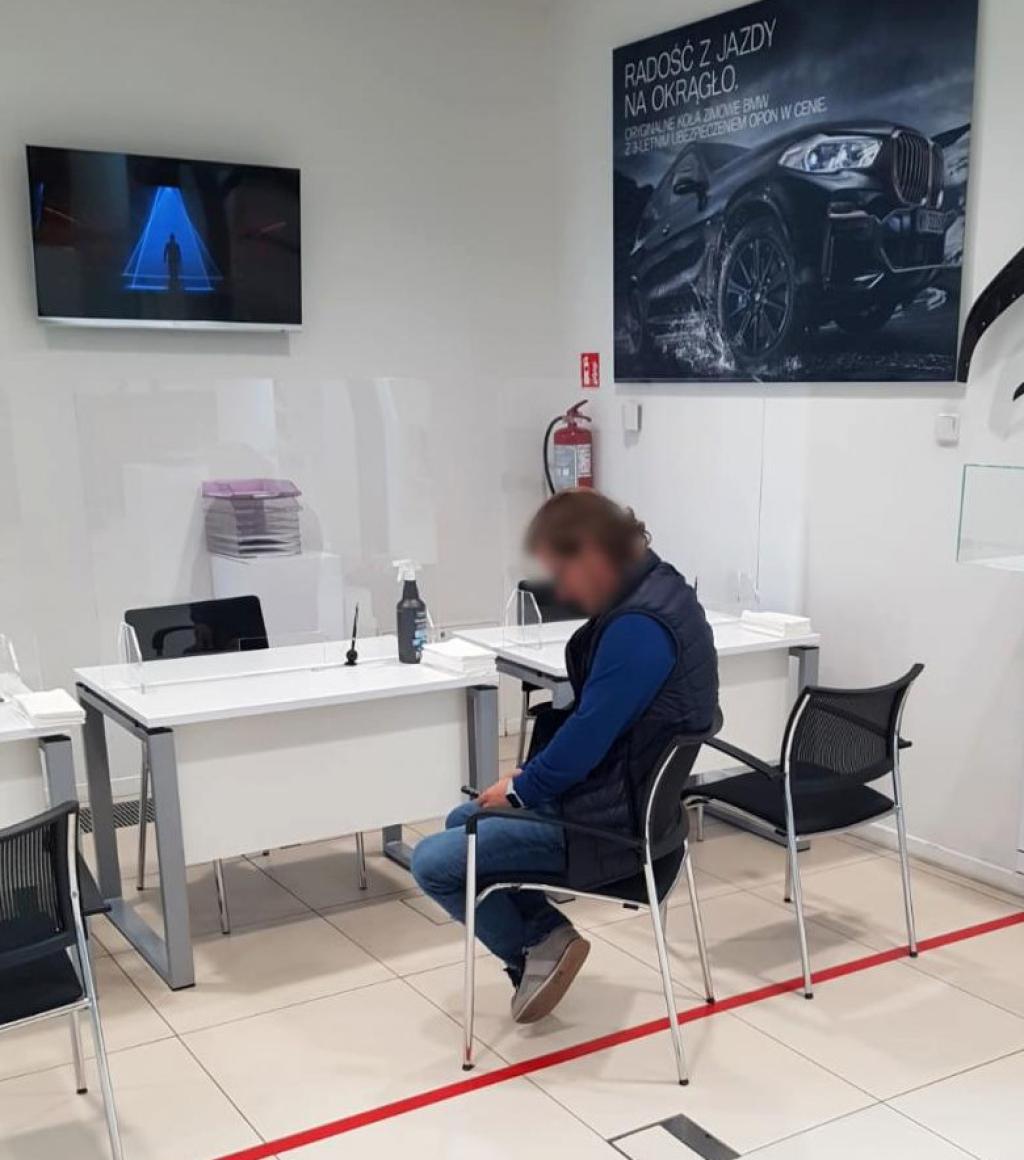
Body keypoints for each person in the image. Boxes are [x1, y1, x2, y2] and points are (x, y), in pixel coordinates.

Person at [411, 489, 719, 1024]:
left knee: (433, 864)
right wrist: (527, 780)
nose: (564, 591)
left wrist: (522, 788)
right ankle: (545, 937)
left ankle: (535, 944)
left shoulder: (639, 629)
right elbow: (598, 731)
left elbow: (587, 738)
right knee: (463, 820)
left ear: (594, 554)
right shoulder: (662, 589)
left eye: (562, 573)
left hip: (608, 829)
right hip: (635, 805)